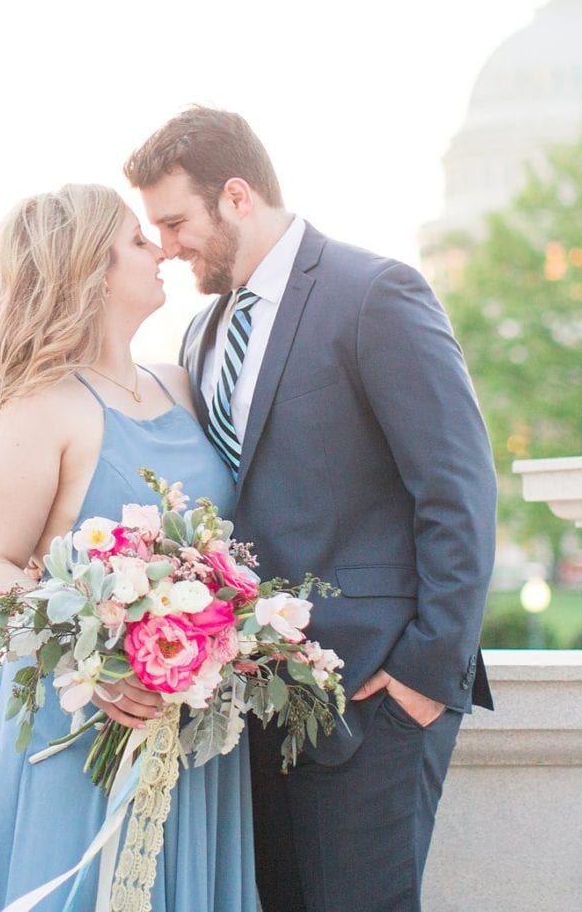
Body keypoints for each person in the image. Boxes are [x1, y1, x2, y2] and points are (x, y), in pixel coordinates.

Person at [125, 107, 496, 912]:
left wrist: (424, 677)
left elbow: (458, 489)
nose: (166, 246)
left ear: (235, 195)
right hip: (251, 708)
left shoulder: (375, 293)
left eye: (175, 221)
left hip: (374, 698)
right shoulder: (201, 334)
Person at [0, 183, 258, 912]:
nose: (161, 250)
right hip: (83, 720)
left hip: (189, 725)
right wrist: (100, 656)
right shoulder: (41, 405)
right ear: (90, 269)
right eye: (137, 242)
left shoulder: (178, 384)